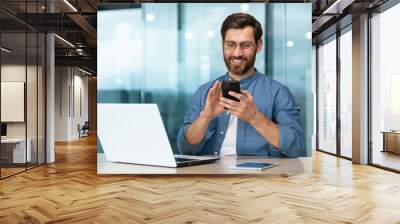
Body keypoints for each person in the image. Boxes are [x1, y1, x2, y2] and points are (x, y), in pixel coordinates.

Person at [176, 12, 304, 157]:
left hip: (258, 177)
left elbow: (296, 146)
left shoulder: (278, 92)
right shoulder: (204, 91)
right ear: (222, 45)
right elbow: (184, 148)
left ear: (259, 46)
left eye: (245, 45)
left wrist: (254, 117)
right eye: (230, 45)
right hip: (209, 175)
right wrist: (206, 116)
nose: (237, 53)